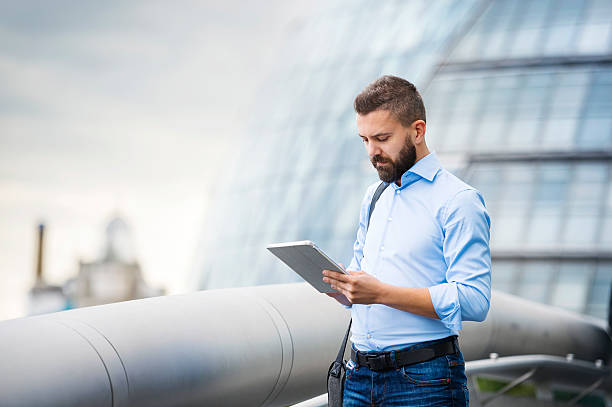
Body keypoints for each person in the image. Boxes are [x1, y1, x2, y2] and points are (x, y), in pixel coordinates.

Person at [322, 75, 491, 406]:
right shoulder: (374, 196)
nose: (372, 152)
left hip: (424, 380)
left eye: (382, 138)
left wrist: (381, 294)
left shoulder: (458, 200)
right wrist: (345, 288)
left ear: (417, 130)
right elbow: (364, 276)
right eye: (365, 140)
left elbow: (474, 300)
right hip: (358, 376)